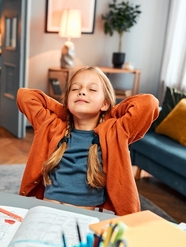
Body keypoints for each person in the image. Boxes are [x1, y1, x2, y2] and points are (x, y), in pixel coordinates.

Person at [16, 66, 159, 215]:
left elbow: (149, 103)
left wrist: (109, 112)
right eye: (75, 89)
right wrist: (66, 110)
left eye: (92, 89)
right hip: (46, 211)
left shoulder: (115, 132)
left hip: (84, 218)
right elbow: (24, 96)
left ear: (105, 103)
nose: (82, 92)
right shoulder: (52, 127)